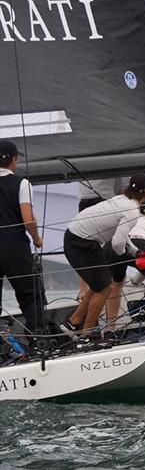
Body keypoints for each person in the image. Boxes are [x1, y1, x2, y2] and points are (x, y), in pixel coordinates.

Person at [61, 175, 145, 338]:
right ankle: (86, 334)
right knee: (105, 287)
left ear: (129, 187)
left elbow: (123, 237)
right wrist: (124, 255)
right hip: (81, 242)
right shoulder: (132, 211)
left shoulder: (122, 199)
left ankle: (72, 323)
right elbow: (117, 244)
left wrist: (134, 251)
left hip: (77, 236)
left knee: (98, 284)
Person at [0, 140, 47, 337]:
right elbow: (28, 220)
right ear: (14, 160)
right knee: (31, 295)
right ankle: (40, 341)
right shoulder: (22, 183)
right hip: (14, 245)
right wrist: (36, 237)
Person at [103, 206, 145, 332]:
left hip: (113, 245)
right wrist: (136, 281)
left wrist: (134, 282)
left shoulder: (122, 217)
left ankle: (109, 328)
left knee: (115, 284)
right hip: (139, 243)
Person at [76, 177, 125, 310]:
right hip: (105, 202)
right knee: (109, 250)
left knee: (85, 250)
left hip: (86, 202)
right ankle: (103, 288)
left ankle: (84, 291)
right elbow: (122, 188)